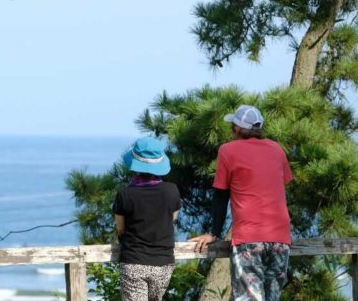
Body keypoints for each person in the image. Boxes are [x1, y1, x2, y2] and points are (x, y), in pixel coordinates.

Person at [189, 105, 293, 301]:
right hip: (280, 237)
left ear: (237, 129)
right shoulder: (277, 149)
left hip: (249, 237)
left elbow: (221, 194)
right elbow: (280, 183)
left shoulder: (228, 151)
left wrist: (214, 233)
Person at [113, 136, 181, 301]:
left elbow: (120, 229)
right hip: (163, 263)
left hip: (134, 260)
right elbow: (172, 220)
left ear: (135, 166)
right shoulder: (172, 191)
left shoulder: (125, 194)